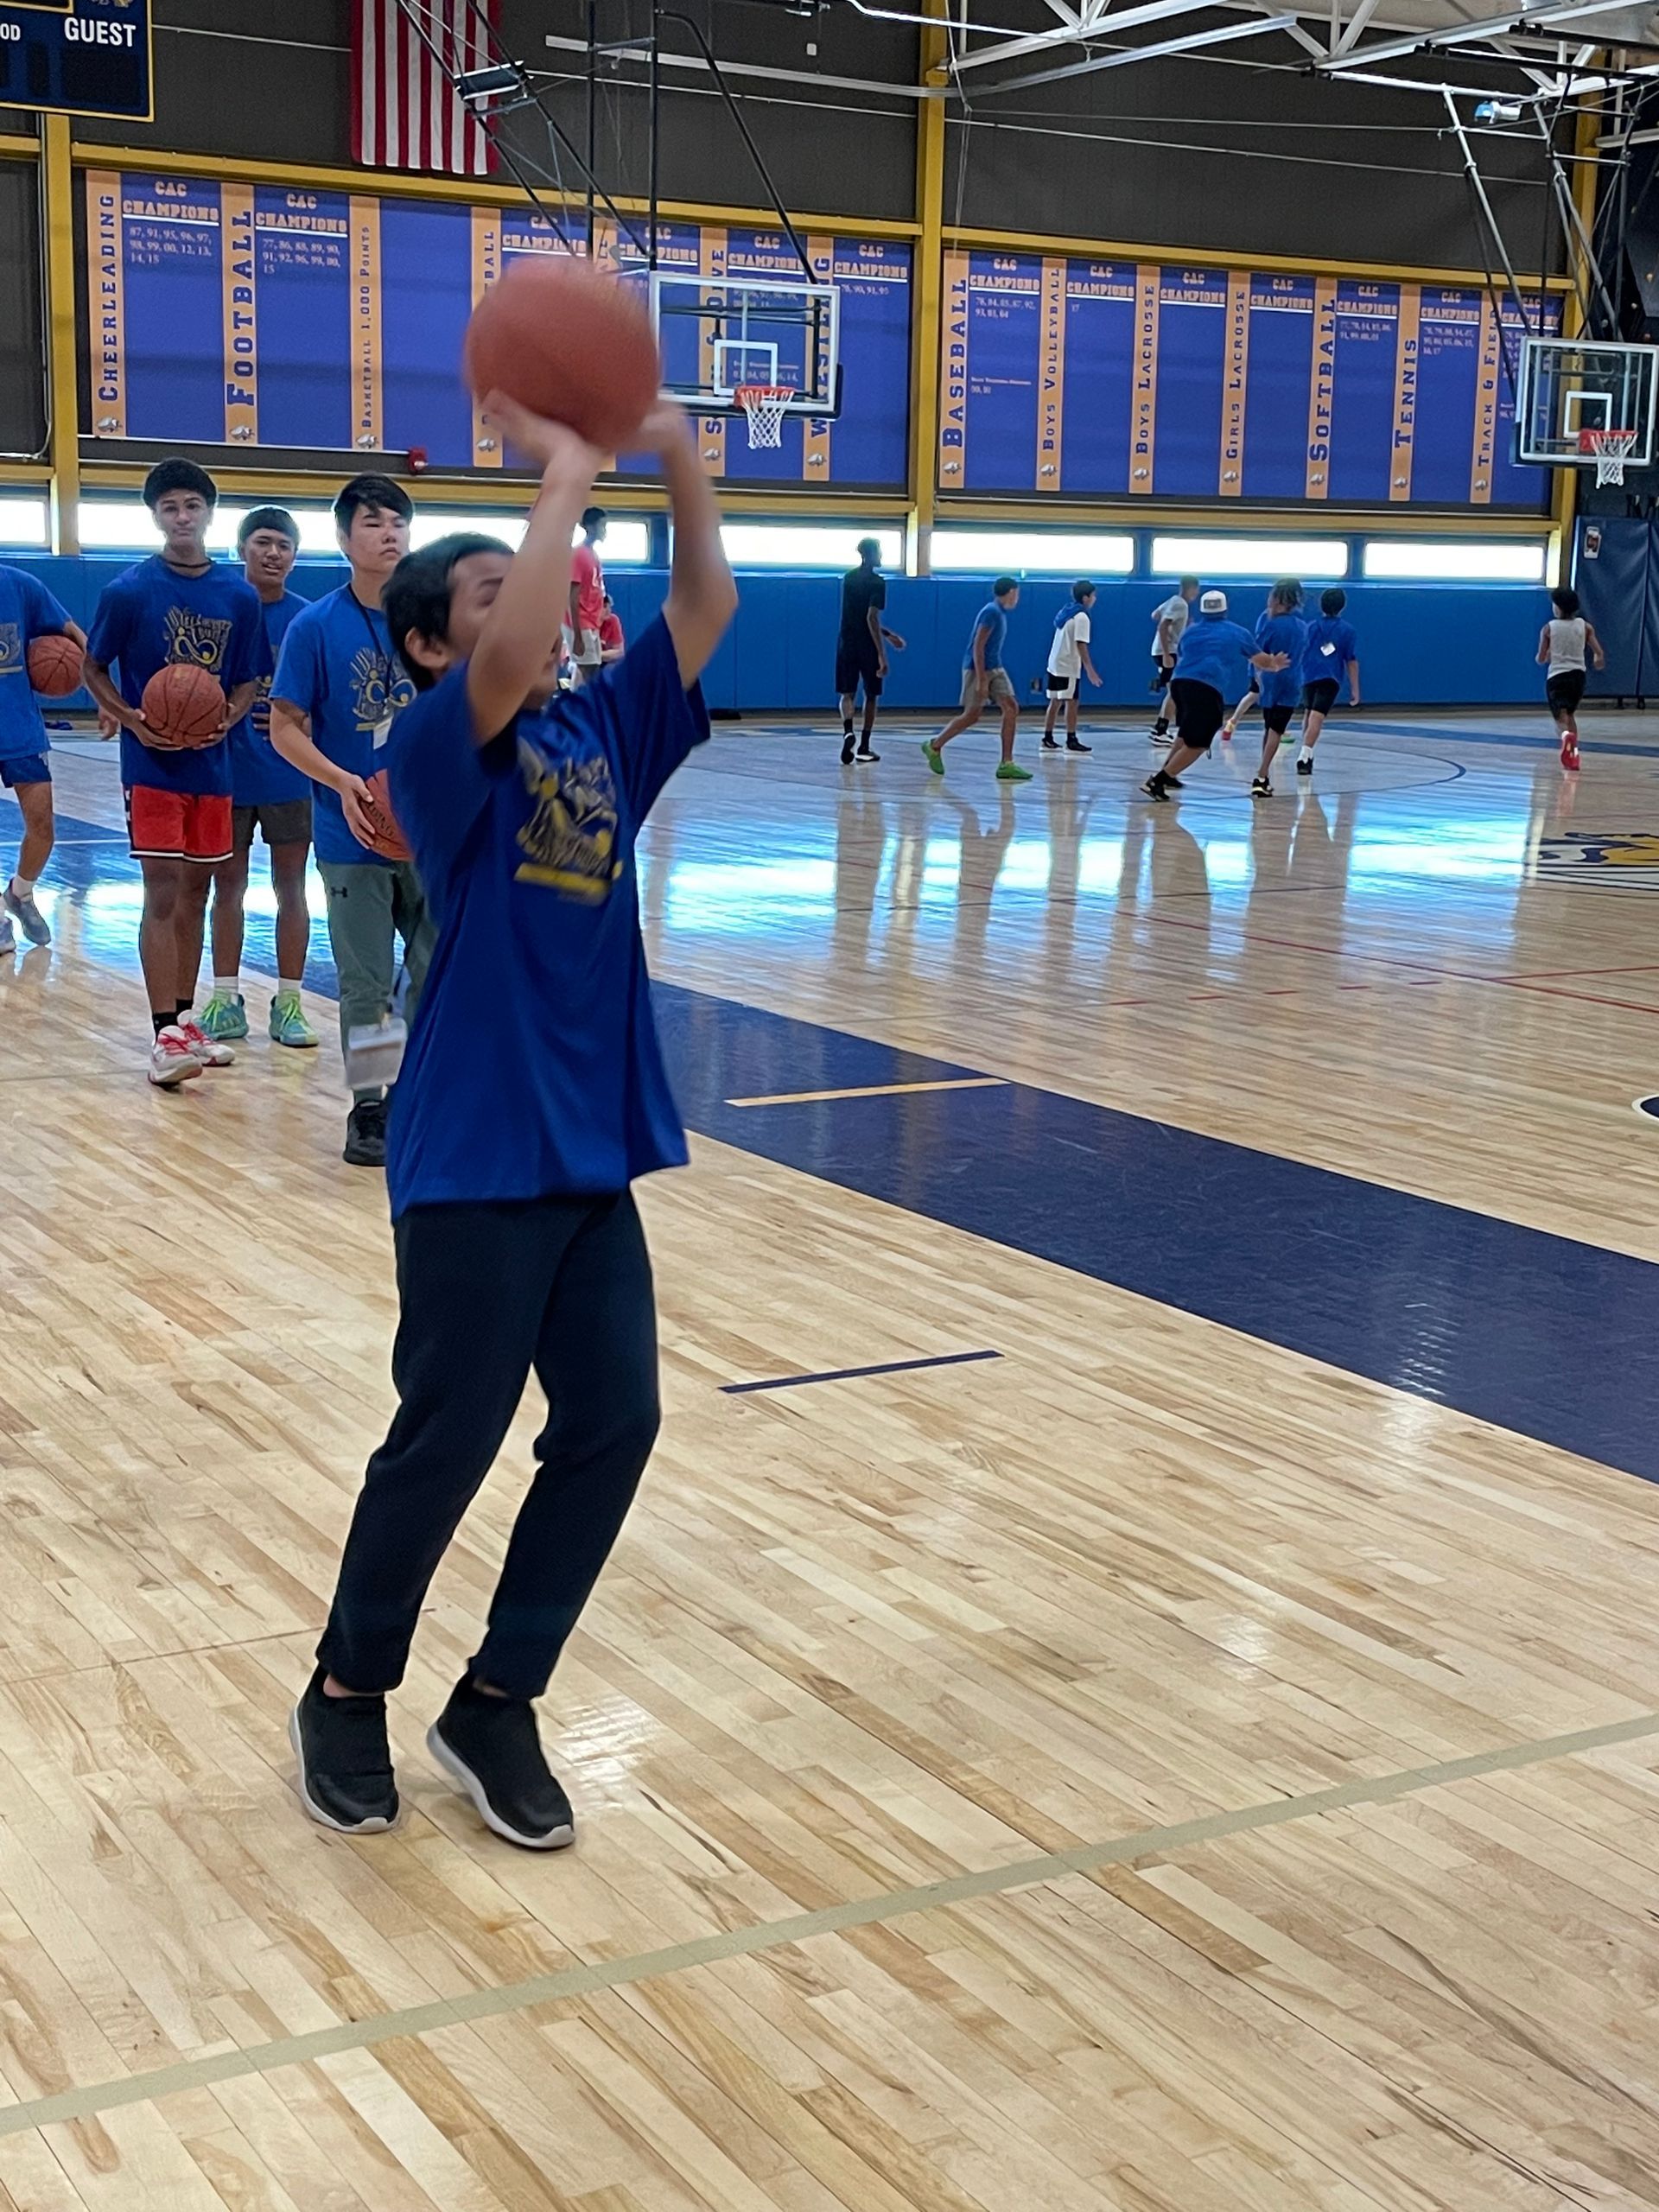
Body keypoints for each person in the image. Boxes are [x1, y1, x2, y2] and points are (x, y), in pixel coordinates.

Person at [288, 392, 736, 1848]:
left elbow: (705, 600)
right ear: (432, 643)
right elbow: (510, 634)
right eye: (486, 595)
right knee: (451, 1434)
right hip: (476, 1148)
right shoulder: (435, 741)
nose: (527, 606)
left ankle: (497, 1699)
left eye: (527, 584)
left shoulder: (604, 723)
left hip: (588, 1152)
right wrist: (564, 471)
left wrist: (672, 455)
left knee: (615, 1420)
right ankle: (348, 1691)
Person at [84, 458, 267, 1085]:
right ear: (156, 517)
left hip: (211, 766)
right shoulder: (129, 591)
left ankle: (187, 1020)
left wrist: (230, 716)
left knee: (198, 891)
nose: (182, 517)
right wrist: (132, 721)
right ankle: (163, 1031)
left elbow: (248, 679)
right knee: (162, 889)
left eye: (192, 505)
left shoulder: (239, 596)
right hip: (152, 765)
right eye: (170, 508)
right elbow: (93, 667)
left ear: (209, 512)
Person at [270, 473, 432, 1166]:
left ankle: (417, 1096)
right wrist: (339, 782)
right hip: (352, 834)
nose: (388, 532)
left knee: (438, 970)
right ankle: (369, 1108)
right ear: (343, 539)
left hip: (434, 833)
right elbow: (284, 727)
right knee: (367, 982)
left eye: (397, 520)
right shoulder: (315, 626)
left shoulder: (441, 623)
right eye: (372, 522)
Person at [197, 508, 318, 1049]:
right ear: (241, 548)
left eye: (284, 545)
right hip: (226, 774)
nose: (273, 553)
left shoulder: (308, 620)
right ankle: (225, 997)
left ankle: (289, 1000)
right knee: (230, 888)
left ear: (296, 555)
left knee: (291, 886)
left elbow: (328, 702)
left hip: (291, 777)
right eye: (263, 543)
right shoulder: (218, 611)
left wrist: (308, 722)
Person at [0, 563, 85, 957]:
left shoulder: (19, 584)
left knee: (43, 827)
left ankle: (20, 893)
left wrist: (96, 682)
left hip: (18, 728)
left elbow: (71, 632)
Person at [1142, 590, 1289, 803]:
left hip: (1179, 684)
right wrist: (1275, 663)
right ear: (1225, 608)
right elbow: (1262, 661)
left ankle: (1169, 772)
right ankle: (1159, 780)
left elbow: (1183, 652)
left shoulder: (1190, 632)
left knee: (1186, 732)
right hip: (1206, 687)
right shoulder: (1237, 632)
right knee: (1200, 742)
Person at [921, 577, 1028, 783]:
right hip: (977, 668)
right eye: (1017, 593)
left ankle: (1007, 763)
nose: (1018, 598)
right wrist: (981, 679)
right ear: (1010, 592)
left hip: (995, 667)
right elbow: (978, 646)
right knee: (972, 715)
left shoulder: (1000, 613)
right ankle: (934, 745)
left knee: (1011, 707)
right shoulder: (991, 612)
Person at [836, 536, 906, 766]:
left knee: (847, 694)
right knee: (871, 695)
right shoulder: (878, 583)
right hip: (867, 646)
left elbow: (856, 617)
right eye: (880, 552)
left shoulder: (849, 578)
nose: (882, 556)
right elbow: (871, 617)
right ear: (871, 554)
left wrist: (888, 633)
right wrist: (882, 653)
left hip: (846, 642)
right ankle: (864, 746)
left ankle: (848, 731)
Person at [1249, 578, 1310, 800]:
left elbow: (1256, 652)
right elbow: (1308, 651)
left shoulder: (1269, 625)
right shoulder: (1302, 627)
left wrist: (1257, 674)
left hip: (1271, 679)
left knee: (1269, 727)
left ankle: (1263, 773)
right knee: (1276, 728)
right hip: (1292, 679)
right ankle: (1263, 774)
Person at [1538, 584, 1605, 772]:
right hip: (1578, 676)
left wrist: (1547, 655)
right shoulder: (1585, 626)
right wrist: (1598, 658)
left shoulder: (1549, 628)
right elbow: (1599, 652)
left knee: (1561, 717)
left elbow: (1541, 658)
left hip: (1557, 676)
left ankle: (1566, 739)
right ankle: (1574, 752)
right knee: (1570, 714)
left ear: (1558, 607)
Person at [1295, 587, 1361, 776]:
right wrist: (1355, 688)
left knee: (1309, 714)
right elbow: (1351, 660)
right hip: (1330, 677)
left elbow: (1301, 651)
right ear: (1342, 607)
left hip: (1308, 675)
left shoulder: (1310, 627)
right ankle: (1305, 754)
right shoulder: (1347, 630)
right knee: (1317, 716)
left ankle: (1307, 751)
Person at [1041, 579, 1101, 753]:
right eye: (1093, 595)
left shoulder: (1066, 612)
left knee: (1055, 700)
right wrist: (1090, 669)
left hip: (1054, 662)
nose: (1095, 599)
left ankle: (1048, 737)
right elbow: (1081, 644)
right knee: (1072, 702)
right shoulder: (1082, 617)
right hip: (1067, 664)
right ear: (1085, 598)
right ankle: (1071, 739)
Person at [1147, 575, 1199, 743]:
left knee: (1173, 691)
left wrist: (1182, 625)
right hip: (1168, 651)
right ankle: (1161, 732)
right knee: (1175, 692)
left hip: (1162, 650)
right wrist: (1166, 654)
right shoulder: (1180, 604)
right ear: (1191, 589)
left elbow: (1155, 615)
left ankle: (1160, 728)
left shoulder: (1173, 600)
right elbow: (1162, 624)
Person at [566, 505, 607, 686]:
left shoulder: (593, 555)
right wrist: (577, 635)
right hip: (580, 623)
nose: (605, 531)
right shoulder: (578, 554)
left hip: (590, 622)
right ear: (590, 527)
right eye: (602, 526)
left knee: (592, 671)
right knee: (589, 672)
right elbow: (572, 596)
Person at [598, 593, 626, 664]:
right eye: (604, 607)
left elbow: (620, 651)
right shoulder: (585, 622)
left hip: (604, 663)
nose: (608, 610)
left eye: (609, 607)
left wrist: (597, 655)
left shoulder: (613, 620)